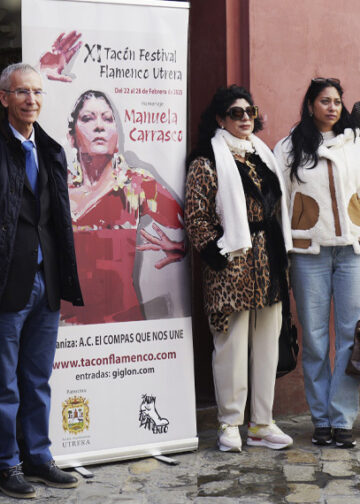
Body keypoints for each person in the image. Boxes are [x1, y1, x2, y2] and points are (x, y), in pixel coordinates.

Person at [185, 85, 293, 452]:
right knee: (230, 346)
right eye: (235, 112)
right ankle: (230, 423)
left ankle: (262, 423)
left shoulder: (263, 156)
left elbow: (278, 209)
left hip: (269, 262)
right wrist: (220, 255)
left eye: (249, 111)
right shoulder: (207, 161)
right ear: (220, 119)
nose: (245, 117)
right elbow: (197, 217)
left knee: (267, 345)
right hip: (232, 265)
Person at [0, 63, 83, 499]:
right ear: (4, 99)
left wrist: (63, 277)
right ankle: (7, 463)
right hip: (6, 283)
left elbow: (57, 222)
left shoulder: (50, 149)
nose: (30, 99)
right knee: (5, 382)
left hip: (44, 280)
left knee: (37, 377)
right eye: (21, 92)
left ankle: (38, 456)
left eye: (36, 92)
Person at [274, 78, 360, 449]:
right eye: (324, 101)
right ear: (310, 105)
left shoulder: (354, 144)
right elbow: (278, 203)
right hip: (308, 254)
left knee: (350, 339)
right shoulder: (289, 148)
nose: (332, 107)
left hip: (352, 252)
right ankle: (320, 420)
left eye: (337, 102)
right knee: (314, 340)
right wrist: (283, 251)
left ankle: (342, 419)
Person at [61, 90, 185, 325]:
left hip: (122, 325)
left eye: (108, 119)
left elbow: (194, 226)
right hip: (67, 327)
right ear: (71, 137)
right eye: (88, 119)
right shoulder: (57, 187)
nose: (99, 126)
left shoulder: (137, 185)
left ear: (117, 135)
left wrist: (179, 247)